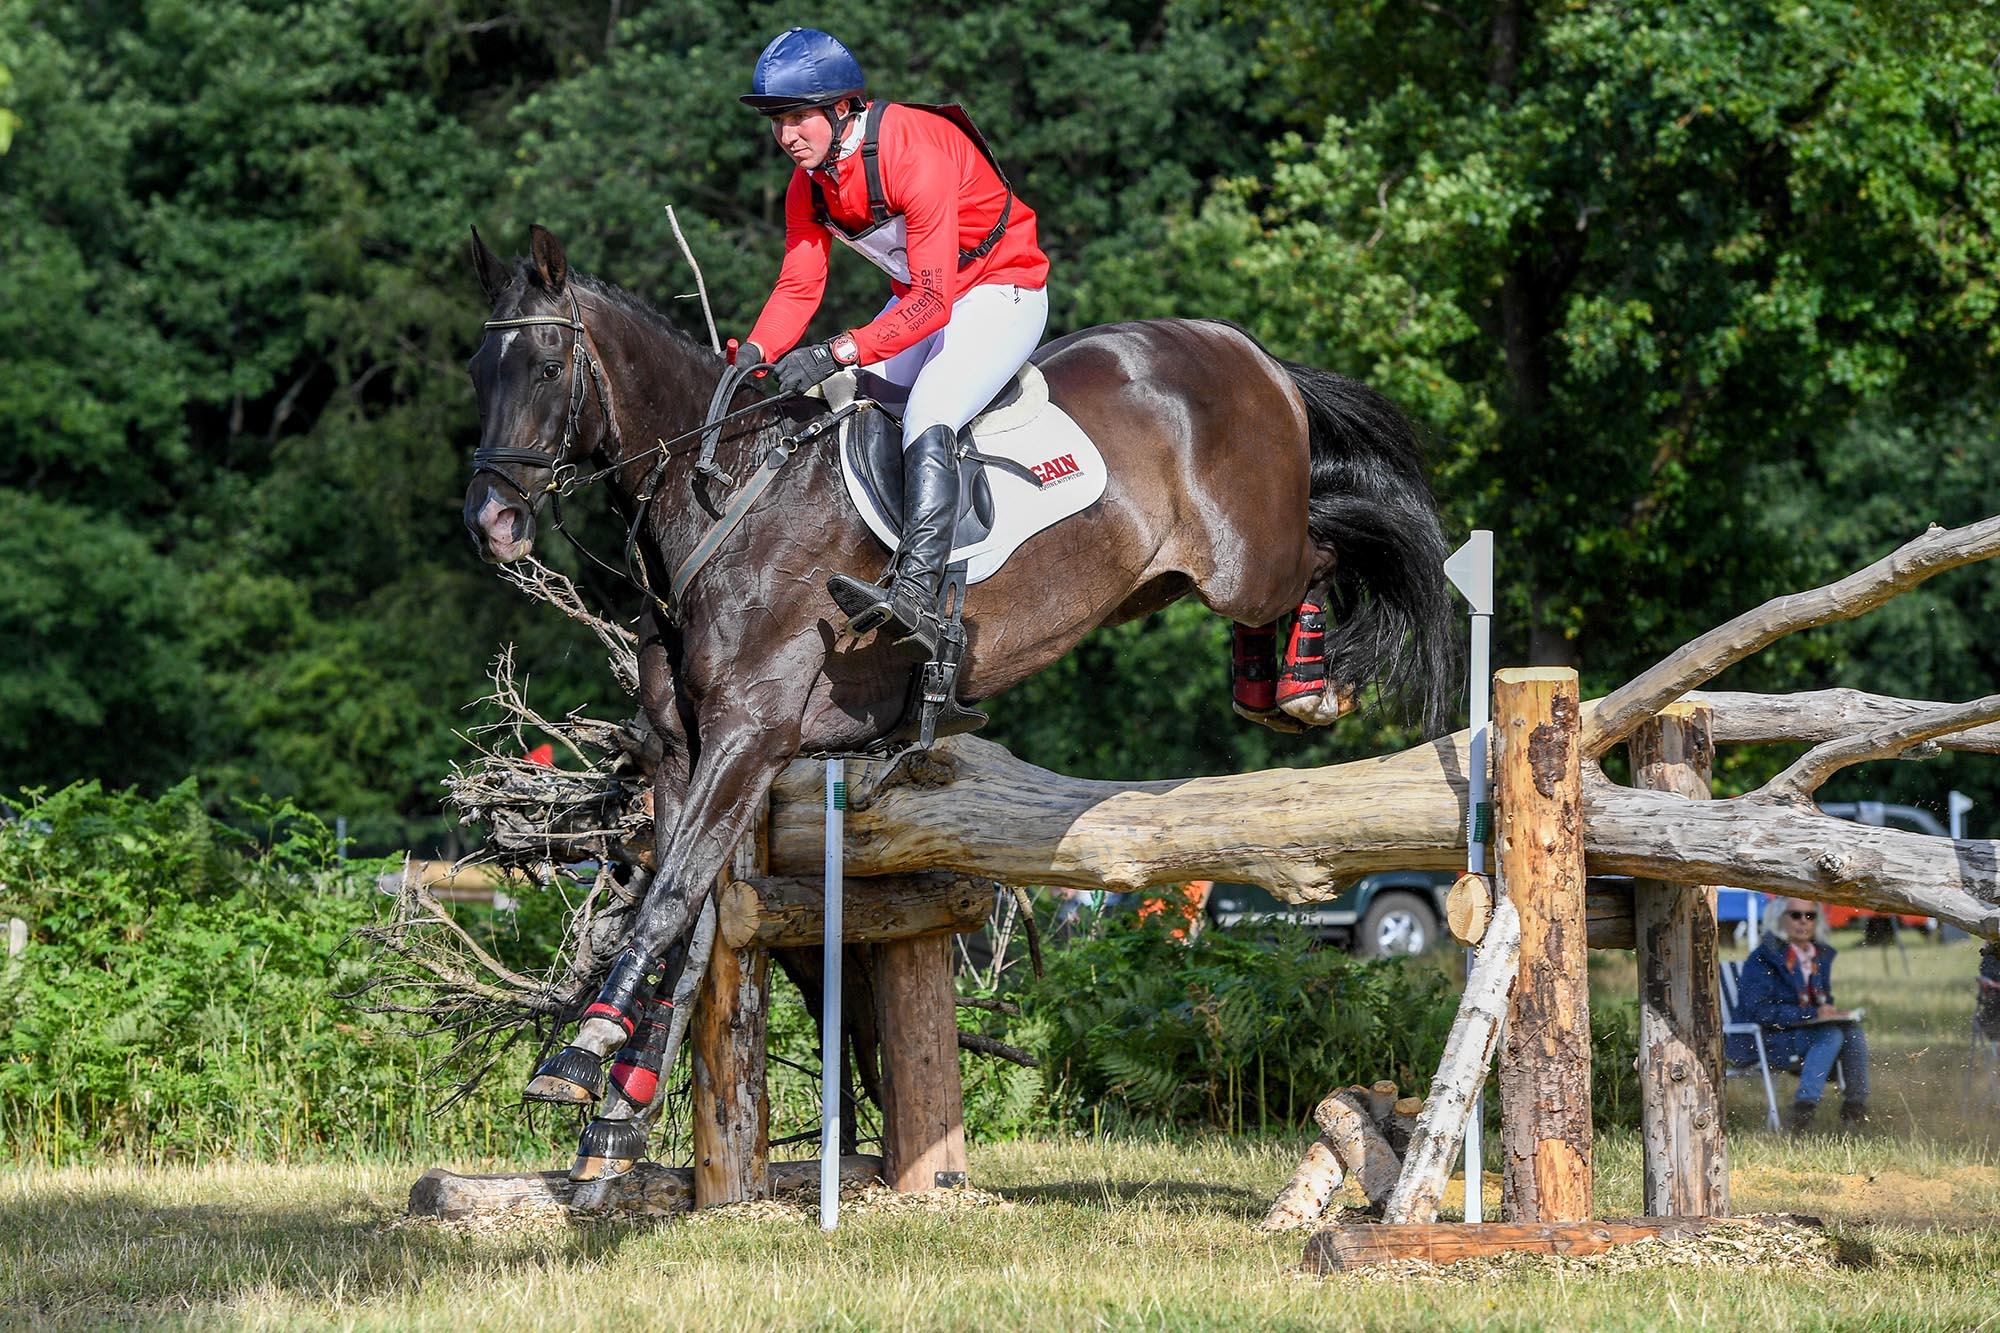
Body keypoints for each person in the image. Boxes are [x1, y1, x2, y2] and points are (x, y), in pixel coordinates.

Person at [737, 27, 1051, 655]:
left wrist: (836, 351)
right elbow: (799, 285)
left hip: (1002, 290)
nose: (786, 136)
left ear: (842, 106)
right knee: (850, 403)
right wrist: (751, 356)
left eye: (798, 117)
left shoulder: (912, 151)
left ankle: (917, 595)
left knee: (930, 411)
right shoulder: (811, 184)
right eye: (777, 121)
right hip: (930, 297)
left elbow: (933, 302)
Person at [1729, 897, 1870, 1131]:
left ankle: (1855, 1108)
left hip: (1801, 1036)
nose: (1803, 922)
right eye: (1795, 915)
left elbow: (1820, 1001)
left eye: (1810, 915)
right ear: (1779, 919)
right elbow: (1760, 1011)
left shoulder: (1817, 956)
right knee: (1831, 1035)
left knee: (1852, 1031)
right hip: (1765, 1039)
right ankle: (1803, 1111)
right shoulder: (1763, 958)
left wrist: (1832, 1013)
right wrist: (1812, 1014)